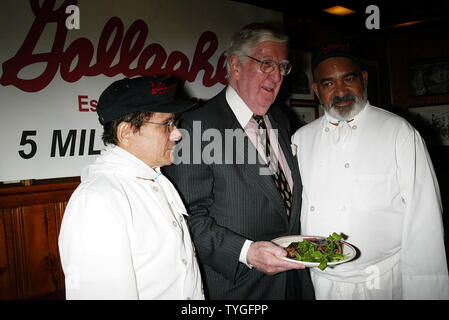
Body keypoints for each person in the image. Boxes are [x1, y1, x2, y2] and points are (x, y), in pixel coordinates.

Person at [163, 23, 315, 299]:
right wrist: (247, 252)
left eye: (283, 66)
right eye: (267, 63)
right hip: (238, 289)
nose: (277, 75)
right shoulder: (194, 126)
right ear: (235, 66)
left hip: (295, 285)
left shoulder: (281, 119)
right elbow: (186, 220)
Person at [291, 43, 449, 299]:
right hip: (319, 281)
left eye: (348, 79)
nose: (340, 91)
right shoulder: (301, 138)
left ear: (364, 79)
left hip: (380, 283)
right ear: (316, 90)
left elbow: (424, 220)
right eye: (329, 83)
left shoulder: (399, 132)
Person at [58, 76, 204, 299]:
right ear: (126, 132)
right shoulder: (97, 200)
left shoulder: (154, 179)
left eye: (174, 123)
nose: (177, 133)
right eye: (166, 124)